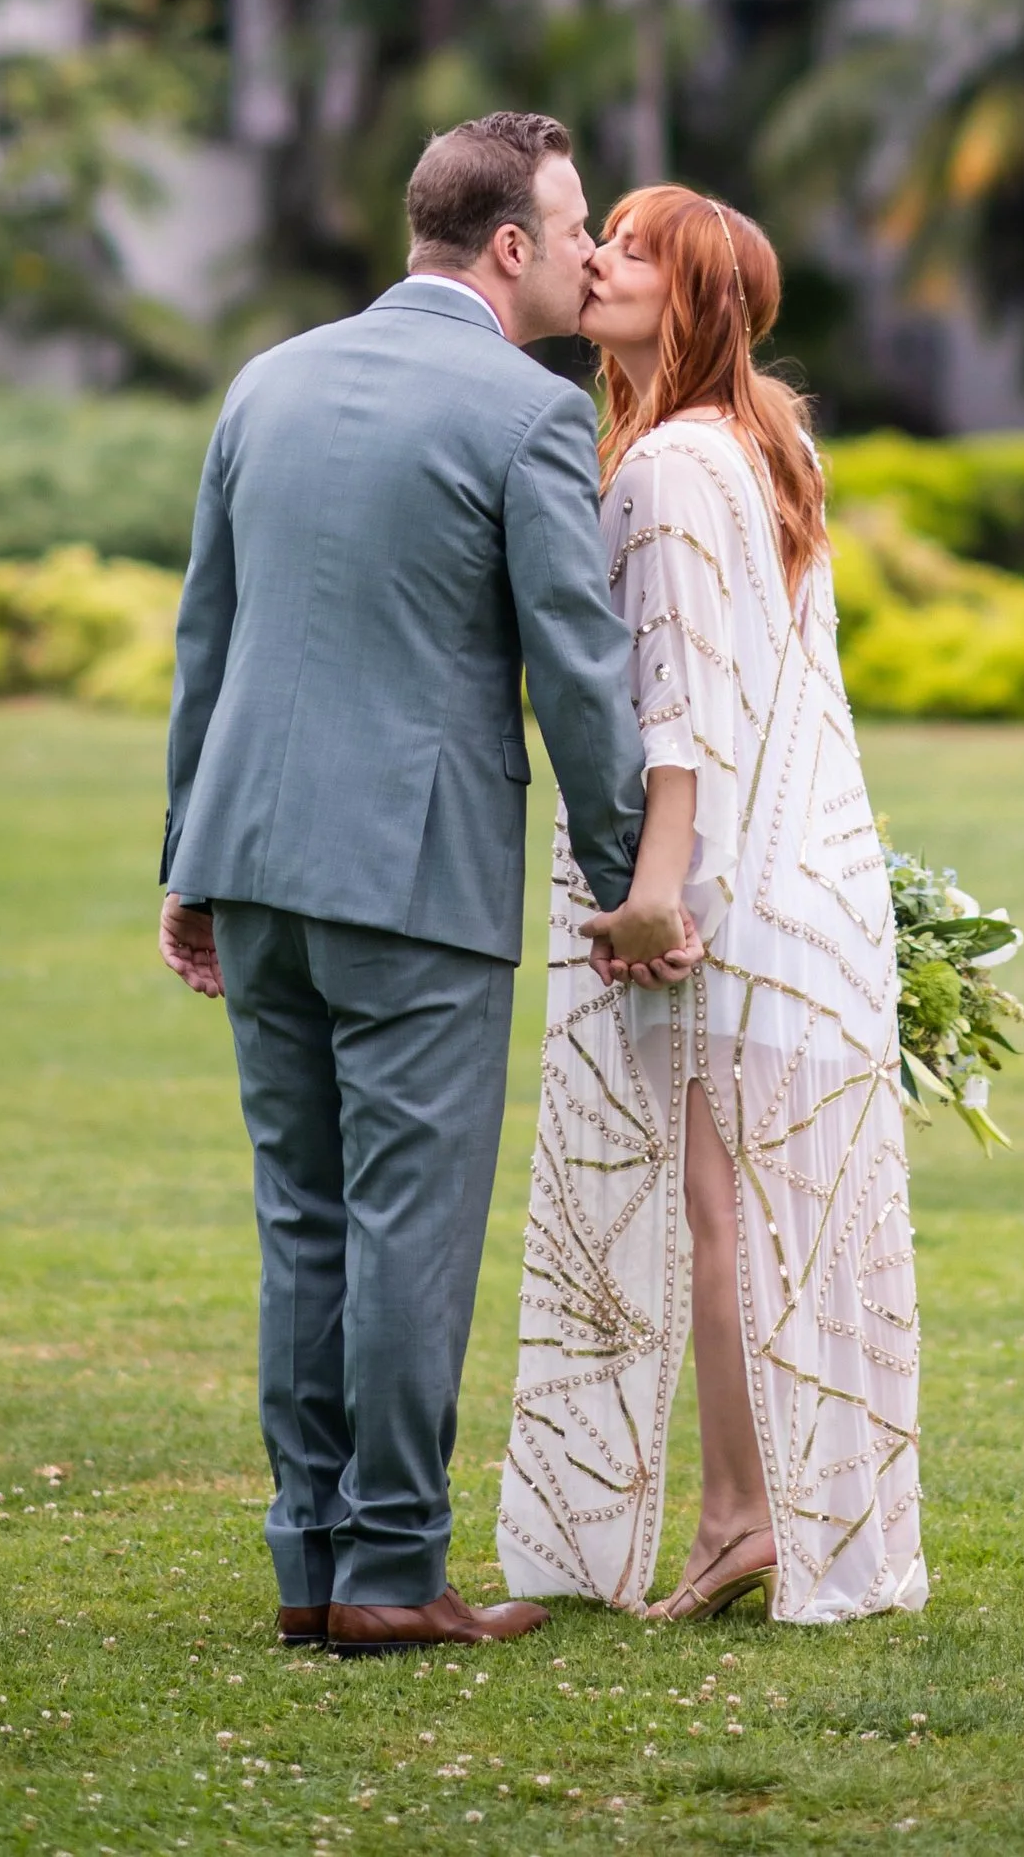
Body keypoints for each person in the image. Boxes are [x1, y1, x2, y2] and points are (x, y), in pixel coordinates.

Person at [158, 111, 703, 1656]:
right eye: (577, 223)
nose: (596, 252)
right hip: (412, 883)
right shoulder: (525, 415)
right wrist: (629, 880)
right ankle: (393, 1569)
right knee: (407, 1223)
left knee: (305, 1217)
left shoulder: (265, 380)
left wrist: (187, 865)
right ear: (511, 246)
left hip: (253, 863)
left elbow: (208, 641)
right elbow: (579, 674)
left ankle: (310, 1559)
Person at [498, 186, 927, 1626]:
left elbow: (677, 704)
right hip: (819, 884)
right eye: (599, 231)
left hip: (724, 892)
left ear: (693, 301)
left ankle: (743, 1512)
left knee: (715, 1206)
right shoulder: (771, 443)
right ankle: (767, 1510)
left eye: (635, 248)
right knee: (766, 1208)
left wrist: (650, 893)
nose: (599, 257)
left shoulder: (667, 469)